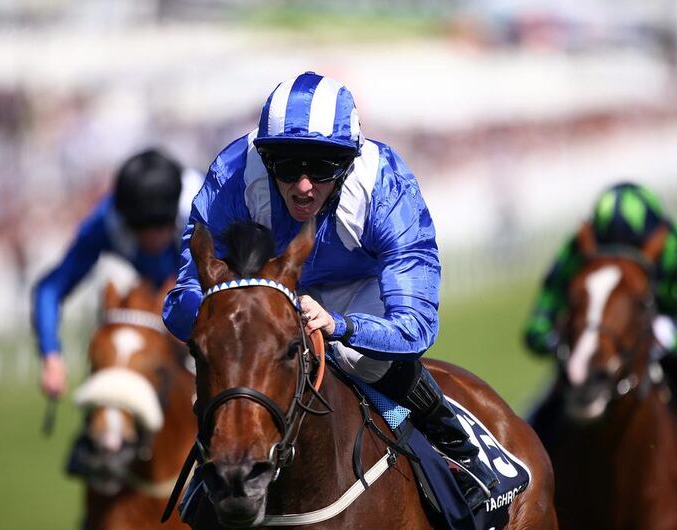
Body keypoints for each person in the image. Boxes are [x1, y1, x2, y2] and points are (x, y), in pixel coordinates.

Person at [162, 71, 498, 510]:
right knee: (241, 349)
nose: (303, 185)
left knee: (355, 356)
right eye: (286, 164)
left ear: (348, 161)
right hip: (272, 288)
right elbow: (182, 297)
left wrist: (338, 324)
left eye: (321, 168)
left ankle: (452, 444)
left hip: (362, 290)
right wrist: (233, 316)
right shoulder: (232, 176)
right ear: (265, 158)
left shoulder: (386, 187)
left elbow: (415, 325)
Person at [523, 182, 677, 485]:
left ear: (656, 241)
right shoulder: (579, 248)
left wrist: (670, 338)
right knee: (530, 424)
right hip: (594, 363)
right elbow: (536, 329)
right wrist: (570, 344)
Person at [32, 148, 202, 399]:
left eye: (160, 226)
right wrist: (51, 355)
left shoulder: (204, 213)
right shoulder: (105, 221)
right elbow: (51, 288)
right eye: (141, 228)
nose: (151, 238)